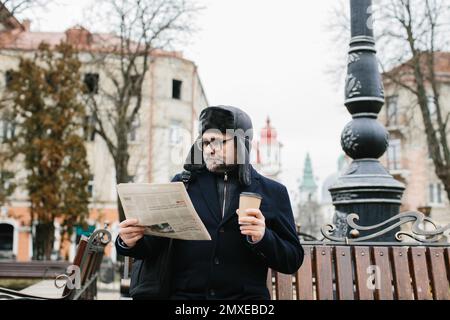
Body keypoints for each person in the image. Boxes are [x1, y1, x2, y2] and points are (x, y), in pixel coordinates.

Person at [116, 105, 304, 299]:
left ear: (242, 142)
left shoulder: (273, 192)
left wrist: (264, 237)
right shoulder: (183, 184)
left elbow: (292, 260)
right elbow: (154, 243)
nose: (210, 150)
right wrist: (129, 241)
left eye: (219, 142)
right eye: (206, 143)